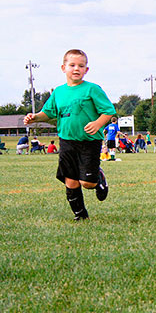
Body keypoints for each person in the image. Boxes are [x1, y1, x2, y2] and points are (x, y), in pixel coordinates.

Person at [24, 49, 114, 221]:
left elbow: (108, 112)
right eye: (72, 65)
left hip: (89, 141)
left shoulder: (92, 89)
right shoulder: (58, 92)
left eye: (81, 66)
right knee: (71, 181)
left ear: (86, 70)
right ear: (63, 67)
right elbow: (48, 112)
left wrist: (98, 123)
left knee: (88, 183)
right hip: (67, 141)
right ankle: (80, 216)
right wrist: (35, 117)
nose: (76, 69)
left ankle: (98, 176)